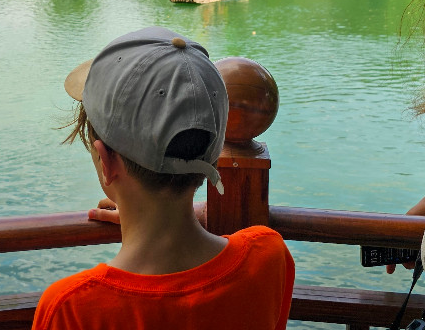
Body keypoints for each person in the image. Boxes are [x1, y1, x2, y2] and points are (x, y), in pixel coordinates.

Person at [32, 27, 295, 330]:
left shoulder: (72, 309)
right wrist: (164, 217)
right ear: (211, 155)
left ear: (105, 162)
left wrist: (148, 216)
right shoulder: (268, 258)